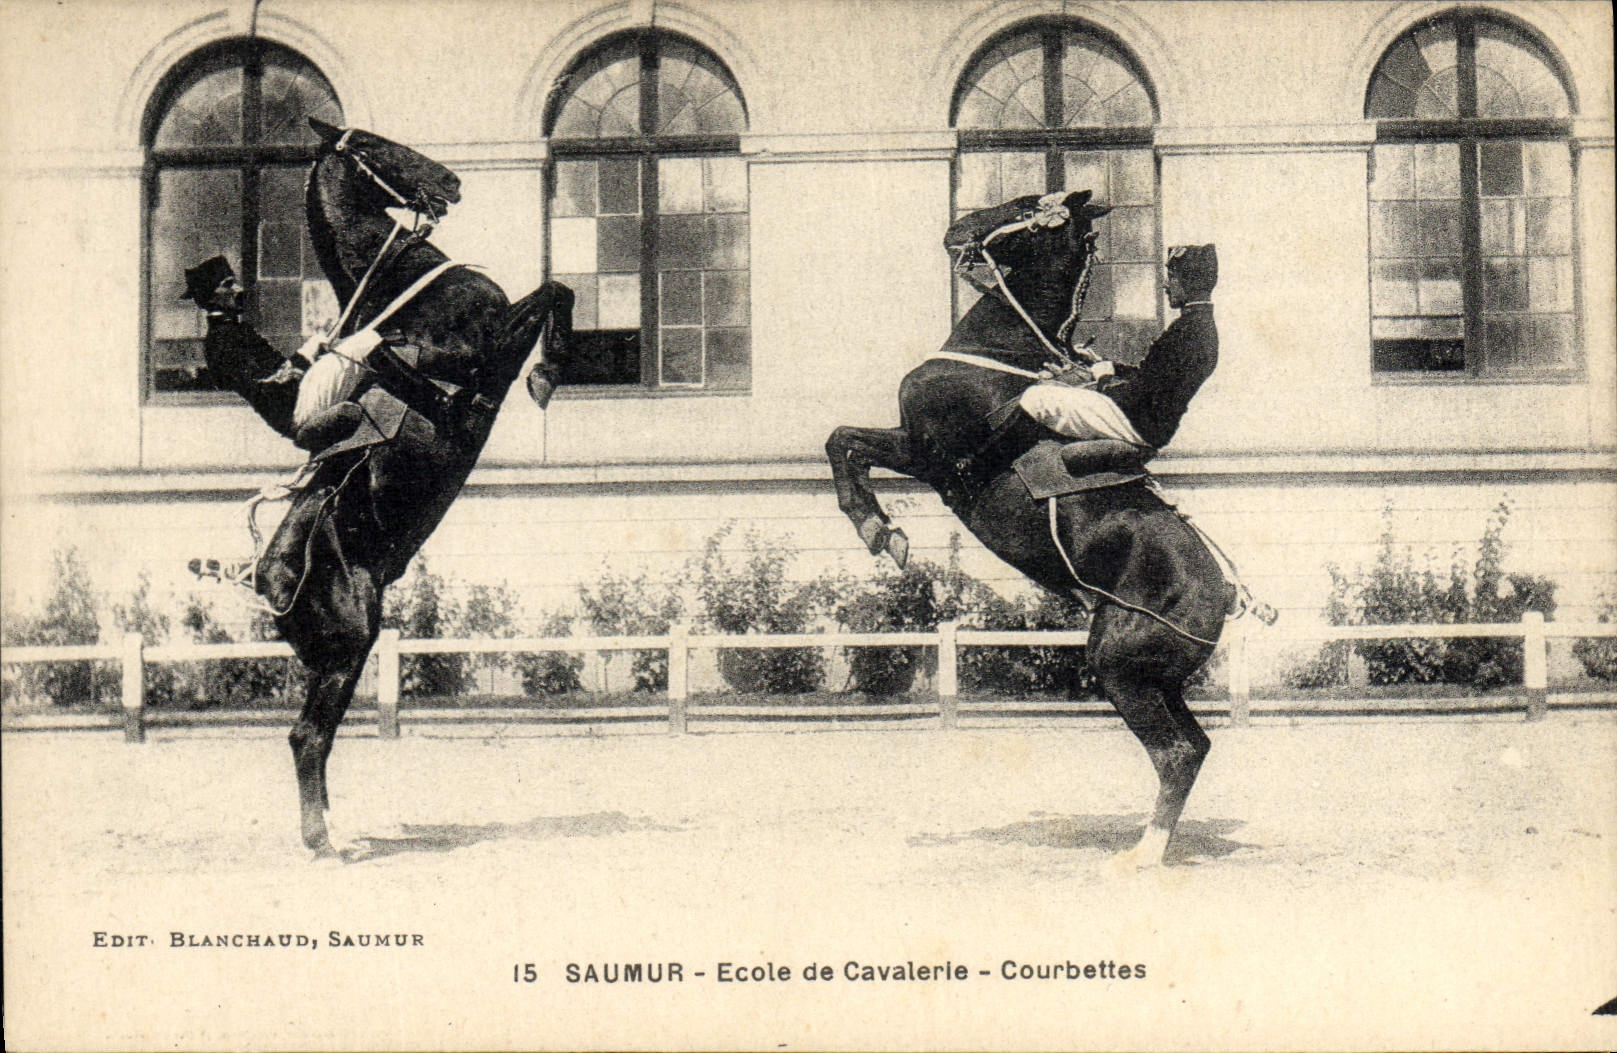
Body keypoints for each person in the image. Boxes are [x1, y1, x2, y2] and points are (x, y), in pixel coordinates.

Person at [1018, 244, 1219, 476]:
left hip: (1137, 422)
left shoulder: (1188, 332)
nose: (1165, 285)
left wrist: (1103, 380)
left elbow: (1137, 394)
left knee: (1038, 397)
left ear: (1190, 282)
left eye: (1172, 277)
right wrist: (1107, 365)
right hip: (1148, 422)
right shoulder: (1198, 326)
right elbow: (1152, 378)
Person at [182, 256, 306, 441]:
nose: (238, 289)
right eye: (228, 285)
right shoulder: (222, 340)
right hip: (291, 415)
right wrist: (303, 360)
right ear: (211, 296)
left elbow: (278, 367)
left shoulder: (237, 331)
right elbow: (267, 389)